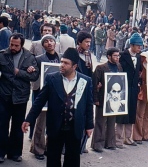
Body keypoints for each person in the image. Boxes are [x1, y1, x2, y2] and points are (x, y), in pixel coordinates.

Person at [22, 47, 94, 167]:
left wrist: (89, 125)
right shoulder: (52, 78)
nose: (62, 65)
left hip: (75, 126)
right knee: (53, 157)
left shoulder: (85, 81)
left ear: (74, 66)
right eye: (61, 61)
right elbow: (39, 101)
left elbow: (88, 104)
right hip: (55, 125)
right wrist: (29, 119)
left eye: (66, 63)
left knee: (73, 159)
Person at [0, 33, 39, 163]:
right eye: (11, 44)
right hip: (4, 96)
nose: (13, 47)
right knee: (2, 125)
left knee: (18, 126)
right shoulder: (2, 55)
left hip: (21, 97)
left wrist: (19, 72)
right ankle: (1, 153)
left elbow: (34, 76)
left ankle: (15, 153)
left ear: (22, 45)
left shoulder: (29, 57)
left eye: (16, 45)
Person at [30, 34, 62, 161]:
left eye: (52, 41)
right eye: (46, 41)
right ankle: (38, 148)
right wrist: (31, 69)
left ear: (55, 43)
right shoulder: (38, 59)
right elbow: (35, 75)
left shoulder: (61, 58)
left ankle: (50, 147)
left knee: (54, 123)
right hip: (43, 93)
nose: (49, 43)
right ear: (43, 45)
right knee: (41, 122)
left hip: (57, 95)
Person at [91, 47, 123, 152]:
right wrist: (95, 99)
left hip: (114, 99)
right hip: (102, 98)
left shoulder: (119, 67)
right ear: (109, 56)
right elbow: (94, 84)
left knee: (111, 121)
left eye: (118, 56)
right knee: (100, 121)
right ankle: (97, 144)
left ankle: (110, 143)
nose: (117, 58)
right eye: (115, 56)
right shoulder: (101, 68)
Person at [115, 33, 142, 148]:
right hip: (123, 88)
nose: (139, 48)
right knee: (122, 114)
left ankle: (128, 137)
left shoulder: (139, 57)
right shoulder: (122, 55)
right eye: (137, 46)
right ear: (131, 45)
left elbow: (139, 71)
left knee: (131, 113)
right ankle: (118, 139)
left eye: (140, 46)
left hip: (134, 88)